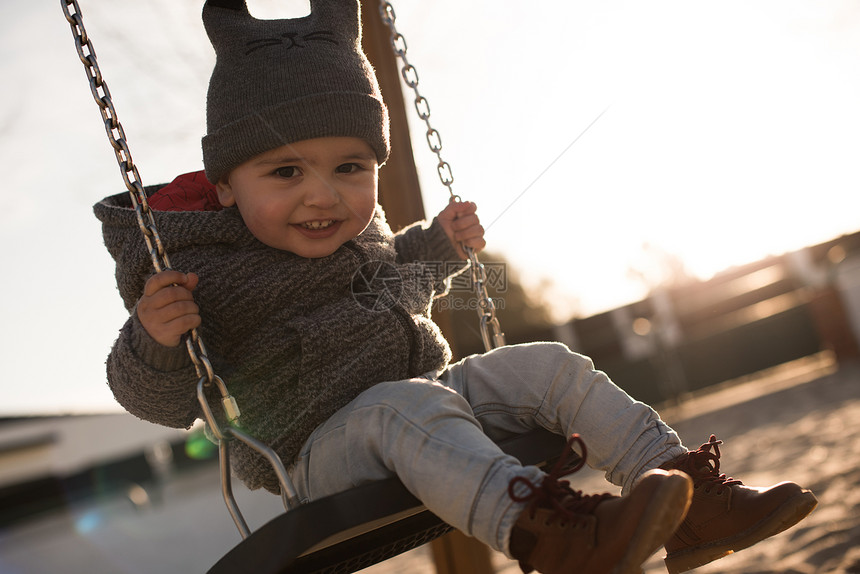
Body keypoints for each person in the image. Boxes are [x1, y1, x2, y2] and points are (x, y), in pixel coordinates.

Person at [94, 1, 817, 573]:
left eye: (350, 166)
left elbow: (398, 287)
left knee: (546, 364)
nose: (325, 195)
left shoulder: (361, 236)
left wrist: (440, 245)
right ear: (225, 186)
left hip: (429, 399)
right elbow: (155, 398)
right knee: (400, 407)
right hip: (315, 453)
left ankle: (692, 502)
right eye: (286, 172)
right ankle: (559, 539)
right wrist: (155, 340)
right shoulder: (201, 270)